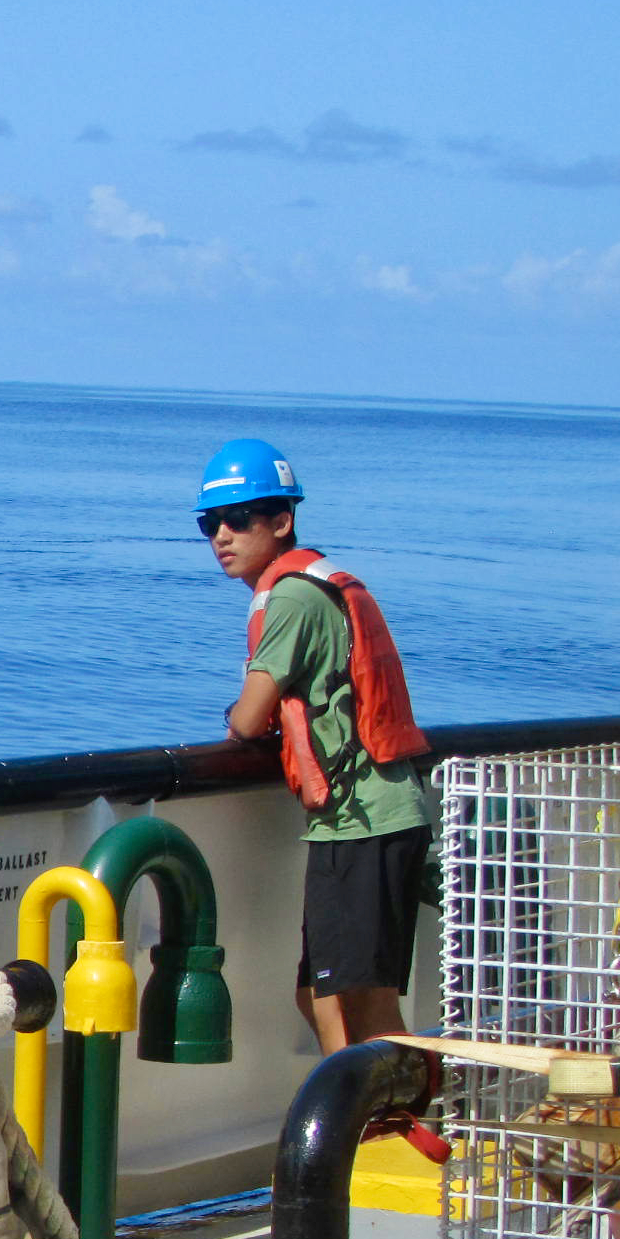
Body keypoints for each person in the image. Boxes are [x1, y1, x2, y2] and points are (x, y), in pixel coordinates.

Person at [203, 438, 435, 1052]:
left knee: (342, 1002)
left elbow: (250, 719)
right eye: (211, 523)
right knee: (352, 998)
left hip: (359, 822)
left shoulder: (294, 599)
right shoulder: (313, 587)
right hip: (381, 815)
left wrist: (235, 716)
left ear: (282, 521)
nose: (222, 535)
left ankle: (371, 1134)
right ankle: (408, 1125)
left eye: (240, 518)